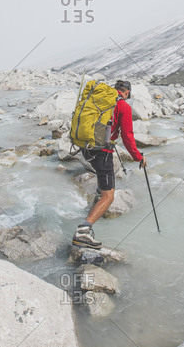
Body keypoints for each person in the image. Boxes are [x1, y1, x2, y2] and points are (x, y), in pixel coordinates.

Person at [72, 80, 146, 249]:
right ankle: (83, 232)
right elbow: (127, 137)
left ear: (114, 90)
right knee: (109, 196)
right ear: (127, 93)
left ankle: (97, 199)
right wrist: (138, 157)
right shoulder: (123, 106)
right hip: (102, 153)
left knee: (102, 180)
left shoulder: (98, 99)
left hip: (85, 148)